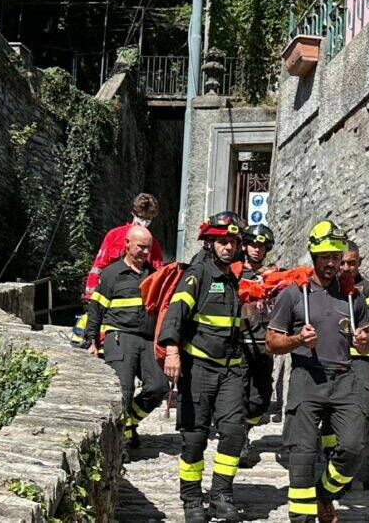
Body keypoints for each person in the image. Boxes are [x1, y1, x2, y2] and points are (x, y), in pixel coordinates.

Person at [266, 220, 369, 522]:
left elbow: (366, 343)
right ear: (314, 256)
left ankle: (324, 496)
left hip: (344, 378)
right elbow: (272, 343)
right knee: (301, 456)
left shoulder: (352, 297)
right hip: (307, 378)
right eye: (325, 256)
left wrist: (365, 340)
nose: (331, 263)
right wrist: (298, 339)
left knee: (353, 447)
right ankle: (300, 518)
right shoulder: (293, 294)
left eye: (336, 257)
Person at [157, 211, 246, 523]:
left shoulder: (236, 276)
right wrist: (171, 351)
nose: (228, 247)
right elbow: (176, 312)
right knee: (194, 438)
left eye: (233, 241)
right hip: (200, 368)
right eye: (222, 241)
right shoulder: (198, 273)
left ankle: (222, 495)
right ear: (210, 243)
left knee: (234, 433)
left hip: (232, 369)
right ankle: (192, 499)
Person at [83, 225, 169, 449]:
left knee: (158, 387)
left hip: (148, 339)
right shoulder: (112, 274)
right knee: (124, 390)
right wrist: (91, 340)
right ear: (127, 245)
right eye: (141, 247)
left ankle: (129, 423)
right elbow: (95, 310)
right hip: (120, 337)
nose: (145, 252)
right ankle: (121, 444)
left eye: (149, 248)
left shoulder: (155, 274)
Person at [320, 239, 369, 481]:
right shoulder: (328, 289)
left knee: (356, 417)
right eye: (343, 262)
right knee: (328, 416)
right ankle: (330, 459)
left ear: (359, 263)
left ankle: (342, 475)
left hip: (358, 363)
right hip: (329, 360)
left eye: (352, 263)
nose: (347, 268)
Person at [72, 193, 165, 348]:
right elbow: (99, 265)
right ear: (133, 214)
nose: (144, 223)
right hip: (109, 293)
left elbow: (158, 273)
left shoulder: (151, 244)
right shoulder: (115, 235)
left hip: (133, 301)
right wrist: (91, 294)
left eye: (148, 219)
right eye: (141, 217)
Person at [237, 224, 277, 466]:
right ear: (245, 245)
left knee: (260, 400)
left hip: (264, 343)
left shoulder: (272, 276)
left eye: (261, 246)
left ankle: (245, 428)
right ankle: (239, 438)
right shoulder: (234, 272)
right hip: (240, 342)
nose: (256, 249)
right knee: (239, 394)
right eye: (253, 244)